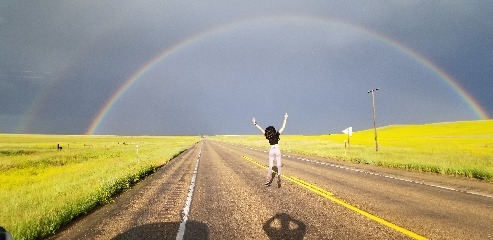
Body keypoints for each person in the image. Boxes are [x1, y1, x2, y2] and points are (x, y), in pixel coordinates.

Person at [252, 113, 288, 187]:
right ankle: (279, 177)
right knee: (278, 165)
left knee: (270, 165)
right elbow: (283, 127)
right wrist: (285, 118)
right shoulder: (277, 134)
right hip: (277, 149)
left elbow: (260, 129)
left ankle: (268, 179)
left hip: (271, 149)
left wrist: (255, 123)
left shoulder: (268, 135)